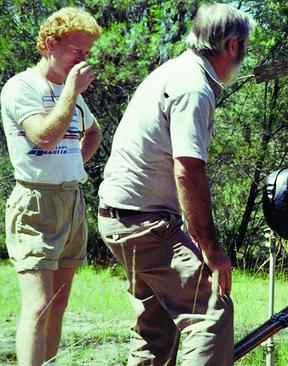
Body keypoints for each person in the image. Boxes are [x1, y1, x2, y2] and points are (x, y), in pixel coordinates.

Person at [96, 4, 255, 365]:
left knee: (157, 329)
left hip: (118, 218)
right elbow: (189, 170)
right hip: (145, 222)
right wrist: (210, 248)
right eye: (244, 47)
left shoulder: (174, 72)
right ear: (232, 45)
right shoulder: (194, 87)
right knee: (211, 311)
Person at [0, 7, 102, 366]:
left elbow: (94, 132)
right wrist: (71, 91)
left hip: (71, 199)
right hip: (36, 202)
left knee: (58, 304)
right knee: (39, 305)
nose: (83, 60)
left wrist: (74, 163)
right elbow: (43, 136)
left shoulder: (70, 92)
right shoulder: (22, 87)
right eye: (78, 50)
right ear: (50, 43)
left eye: (88, 53)